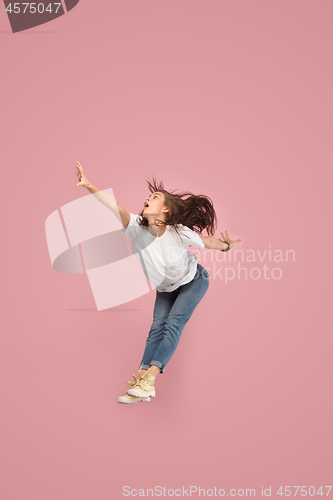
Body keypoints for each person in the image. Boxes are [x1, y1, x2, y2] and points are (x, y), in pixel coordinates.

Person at [74, 161, 241, 404]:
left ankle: (149, 379)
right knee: (155, 329)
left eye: (154, 197)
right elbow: (114, 206)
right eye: (149, 196)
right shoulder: (135, 227)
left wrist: (226, 247)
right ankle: (141, 384)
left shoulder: (179, 232)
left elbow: (208, 242)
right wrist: (88, 185)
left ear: (165, 210)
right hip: (166, 288)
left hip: (193, 280)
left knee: (173, 323)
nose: (147, 199)